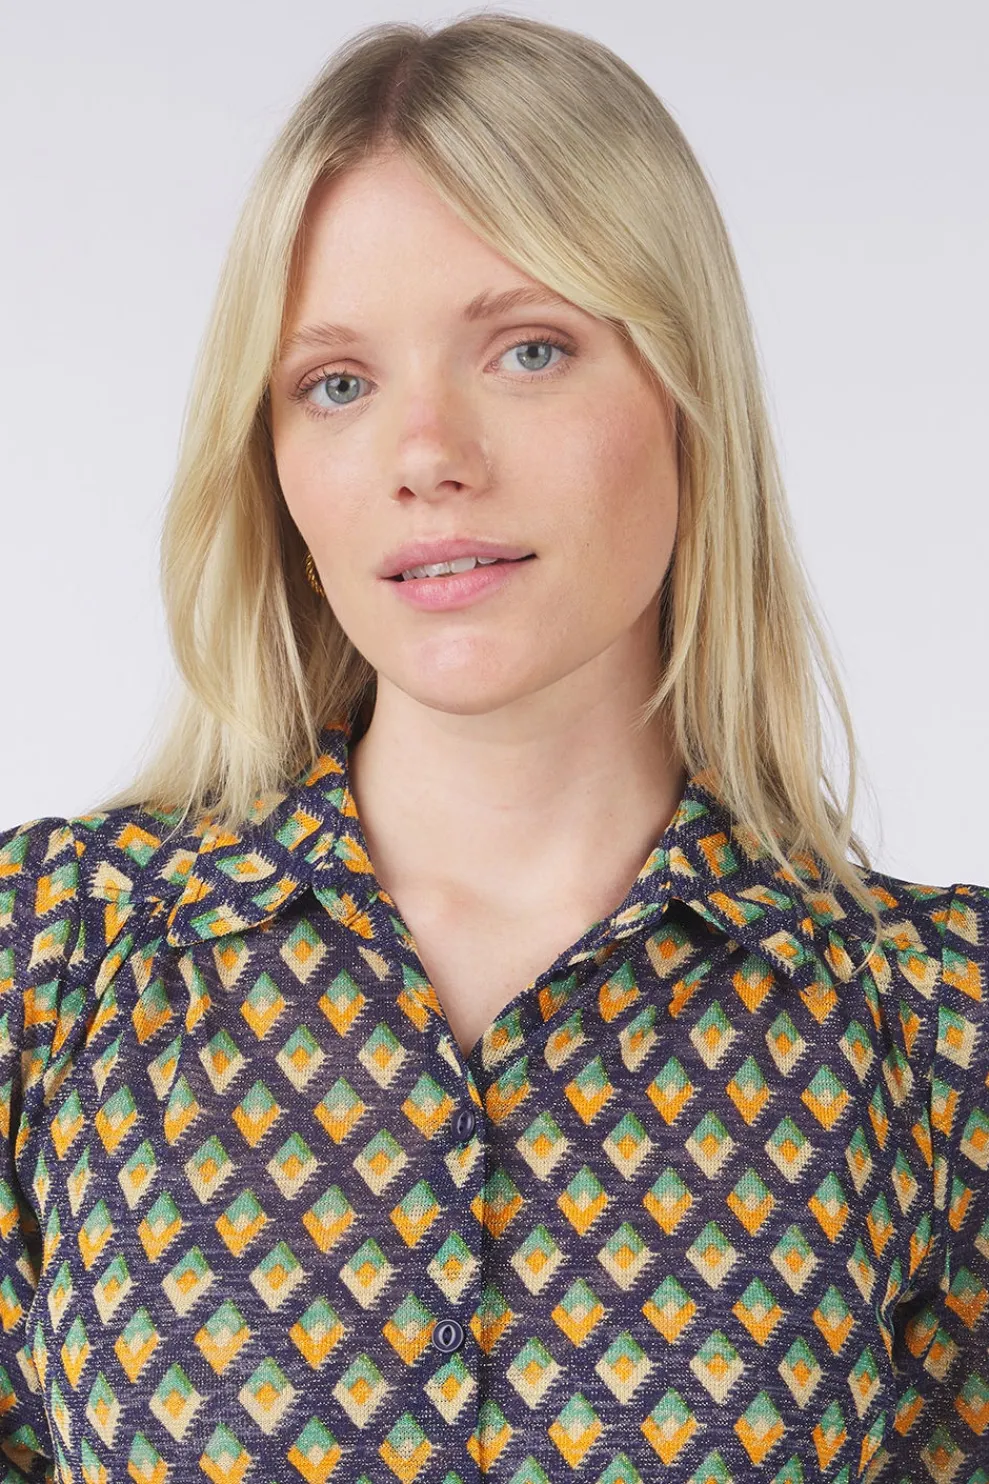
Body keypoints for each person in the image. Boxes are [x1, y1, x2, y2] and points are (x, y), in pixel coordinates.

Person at [1, 13, 985, 1483]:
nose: (428, 453)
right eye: (337, 383)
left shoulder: (934, 1034)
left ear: (687, 398)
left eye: (528, 350)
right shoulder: (56, 964)